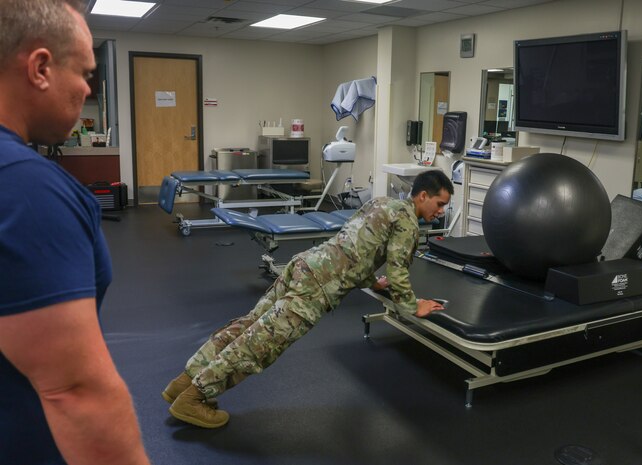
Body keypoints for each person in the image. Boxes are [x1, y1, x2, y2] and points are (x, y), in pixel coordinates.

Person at [163, 170, 454, 428]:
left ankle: (185, 382)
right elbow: (398, 268)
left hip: (305, 264)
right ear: (423, 196)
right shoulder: (407, 221)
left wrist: (372, 282)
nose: (440, 212)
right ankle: (195, 398)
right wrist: (412, 305)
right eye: (439, 204)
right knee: (259, 344)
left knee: (248, 325)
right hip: (317, 287)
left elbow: (353, 246)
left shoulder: (382, 203)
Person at [0, 1, 151, 464]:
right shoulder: (25, 187)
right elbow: (75, 391)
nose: (88, 88)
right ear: (41, 67)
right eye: (85, 74)